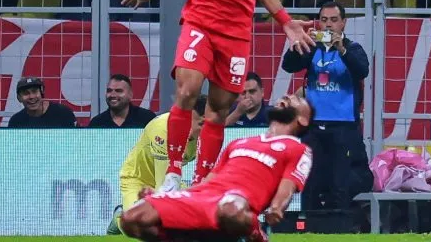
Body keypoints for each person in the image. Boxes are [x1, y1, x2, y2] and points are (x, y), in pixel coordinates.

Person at [118, 0, 315, 193]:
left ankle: (200, 183)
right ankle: (172, 172)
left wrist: (285, 21)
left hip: (236, 35)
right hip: (200, 26)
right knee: (187, 90)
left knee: (219, 109)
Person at [120, 94, 314, 242]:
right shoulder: (239, 143)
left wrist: (277, 208)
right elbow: (209, 181)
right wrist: (164, 196)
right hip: (203, 197)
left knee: (231, 209)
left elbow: (288, 185)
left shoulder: (298, 149)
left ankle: (255, 234)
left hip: (234, 202)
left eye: (296, 99)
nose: (288, 96)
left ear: (303, 119)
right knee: (132, 218)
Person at [282, 1, 369, 232]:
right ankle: (307, 230)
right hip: (313, 128)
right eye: (324, 20)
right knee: (309, 182)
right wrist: (300, 42)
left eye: (333, 20)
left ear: (343, 23)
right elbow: (288, 66)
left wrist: (342, 50)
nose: (328, 25)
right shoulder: (312, 48)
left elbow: (363, 70)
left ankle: (340, 231)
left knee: (340, 183)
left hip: (344, 129)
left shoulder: (352, 48)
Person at [108, 96, 207, 235]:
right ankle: (119, 216)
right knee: (140, 226)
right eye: (200, 124)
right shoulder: (163, 129)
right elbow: (163, 186)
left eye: (205, 124)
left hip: (169, 178)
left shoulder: (209, 135)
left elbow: (205, 179)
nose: (190, 130)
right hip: (138, 179)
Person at [89, 74, 157, 128]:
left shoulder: (147, 119)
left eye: (119, 91)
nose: (113, 95)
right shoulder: (96, 123)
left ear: (130, 95)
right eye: (109, 91)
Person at [7, 76, 78, 128]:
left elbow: (77, 141)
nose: (31, 96)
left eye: (34, 91)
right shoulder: (16, 121)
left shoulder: (63, 113)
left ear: (42, 93)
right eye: (26, 93)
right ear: (19, 98)